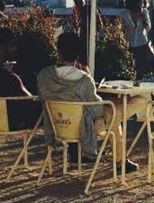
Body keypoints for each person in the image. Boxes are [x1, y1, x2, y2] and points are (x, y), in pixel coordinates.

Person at [36, 31, 136, 170]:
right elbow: (96, 110)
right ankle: (120, 161)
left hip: (57, 125)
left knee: (113, 113)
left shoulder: (44, 76)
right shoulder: (83, 80)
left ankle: (120, 161)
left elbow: (43, 98)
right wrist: (89, 78)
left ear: (59, 51)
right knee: (115, 115)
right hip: (82, 129)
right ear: (78, 55)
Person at [122, 0, 154, 77]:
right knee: (129, 68)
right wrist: (129, 26)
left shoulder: (144, 11)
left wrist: (143, 19)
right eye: (140, 0)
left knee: (141, 69)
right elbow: (121, 28)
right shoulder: (125, 13)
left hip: (141, 43)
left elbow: (148, 28)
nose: (142, 1)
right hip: (129, 43)